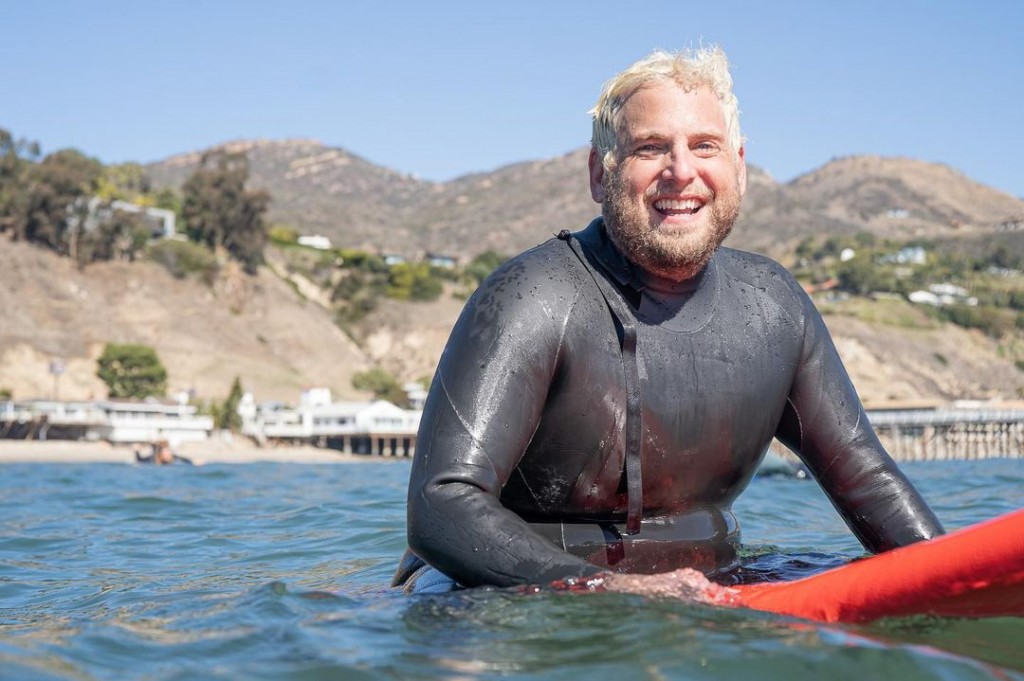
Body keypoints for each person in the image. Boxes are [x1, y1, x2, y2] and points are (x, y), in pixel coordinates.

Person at [393, 47, 943, 597]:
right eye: (651, 148)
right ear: (599, 173)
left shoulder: (772, 306)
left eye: (705, 146)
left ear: (739, 166)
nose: (682, 172)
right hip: (498, 598)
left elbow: (866, 480)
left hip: (704, 590)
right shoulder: (537, 295)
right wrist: (608, 590)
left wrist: (959, 579)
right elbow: (441, 504)